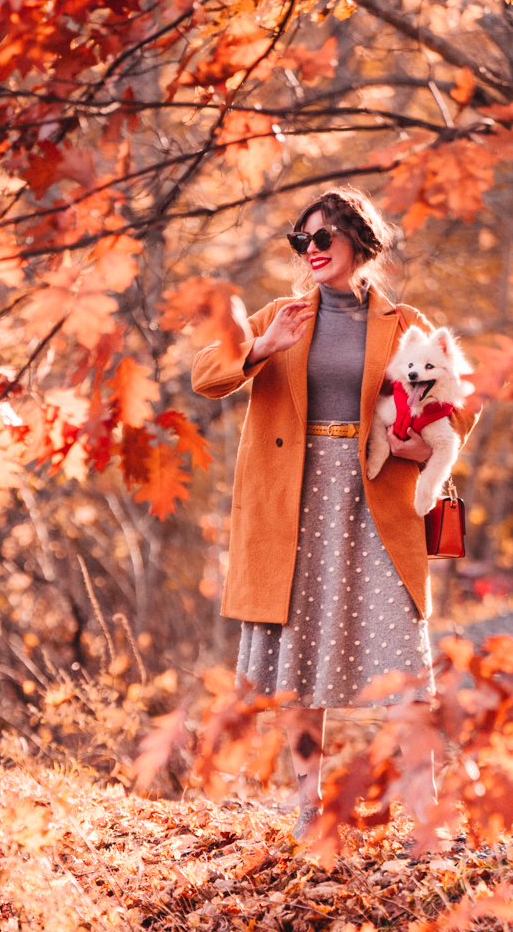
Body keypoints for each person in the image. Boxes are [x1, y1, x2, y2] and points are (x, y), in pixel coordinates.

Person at [191, 188, 478, 836]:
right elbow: (205, 375)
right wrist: (262, 344)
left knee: (406, 660)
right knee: (299, 658)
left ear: (359, 243)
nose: (312, 252)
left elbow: (462, 398)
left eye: (324, 239)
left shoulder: (402, 322)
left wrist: (418, 441)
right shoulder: (280, 315)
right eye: (302, 241)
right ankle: (307, 812)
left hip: (376, 499)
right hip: (291, 505)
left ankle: (425, 818)